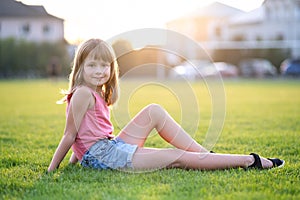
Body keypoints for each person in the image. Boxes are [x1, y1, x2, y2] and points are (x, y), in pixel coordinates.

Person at [47, 39, 284, 173]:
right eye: (92, 66)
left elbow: (84, 136)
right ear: (80, 68)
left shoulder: (96, 92)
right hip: (103, 156)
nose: (99, 71)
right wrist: (52, 171)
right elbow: (70, 135)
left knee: (154, 111)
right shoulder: (82, 94)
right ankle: (248, 160)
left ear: (112, 69)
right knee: (176, 157)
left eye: (104, 65)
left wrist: (78, 161)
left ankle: (205, 155)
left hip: (106, 149)